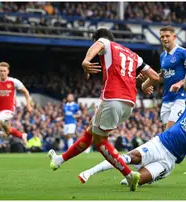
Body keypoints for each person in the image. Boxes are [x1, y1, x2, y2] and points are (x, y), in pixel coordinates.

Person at [78, 51, 186, 188]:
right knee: (128, 157)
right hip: (158, 144)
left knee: (134, 181)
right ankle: (89, 172)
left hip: (169, 160)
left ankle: (148, 175)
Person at [47, 28, 160, 191]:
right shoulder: (134, 55)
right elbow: (155, 76)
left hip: (113, 98)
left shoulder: (106, 42)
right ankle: (60, 160)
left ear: (96, 40)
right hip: (129, 103)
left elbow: (99, 45)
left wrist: (86, 60)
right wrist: (144, 85)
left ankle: (130, 175)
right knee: (91, 130)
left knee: (100, 142)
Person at [140, 25, 186, 174]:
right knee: (170, 136)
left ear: (174, 37)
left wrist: (180, 84)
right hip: (167, 99)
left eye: (167, 36)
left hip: (180, 98)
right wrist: (146, 82)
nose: (165, 39)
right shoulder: (163, 57)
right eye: (162, 36)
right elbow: (162, 77)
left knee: (169, 133)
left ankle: (161, 168)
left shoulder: (182, 53)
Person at [0, 62, 33, 156]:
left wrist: (28, 105)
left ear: (8, 71)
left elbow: (26, 92)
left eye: (4, 71)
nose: (2, 73)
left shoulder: (14, 82)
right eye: (1, 71)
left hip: (9, 110)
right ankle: (22, 135)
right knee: (8, 131)